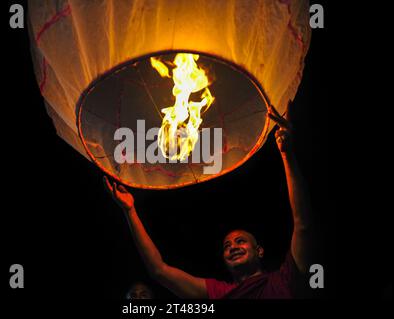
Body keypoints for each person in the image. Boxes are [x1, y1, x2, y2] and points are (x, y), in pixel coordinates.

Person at [103, 106, 312, 299]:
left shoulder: (284, 279)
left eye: (240, 241)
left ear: (259, 251)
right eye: (227, 246)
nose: (232, 247)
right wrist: (129, 210)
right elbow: (159, 270)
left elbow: (302, 223)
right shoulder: (220, 293)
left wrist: (287, 154)